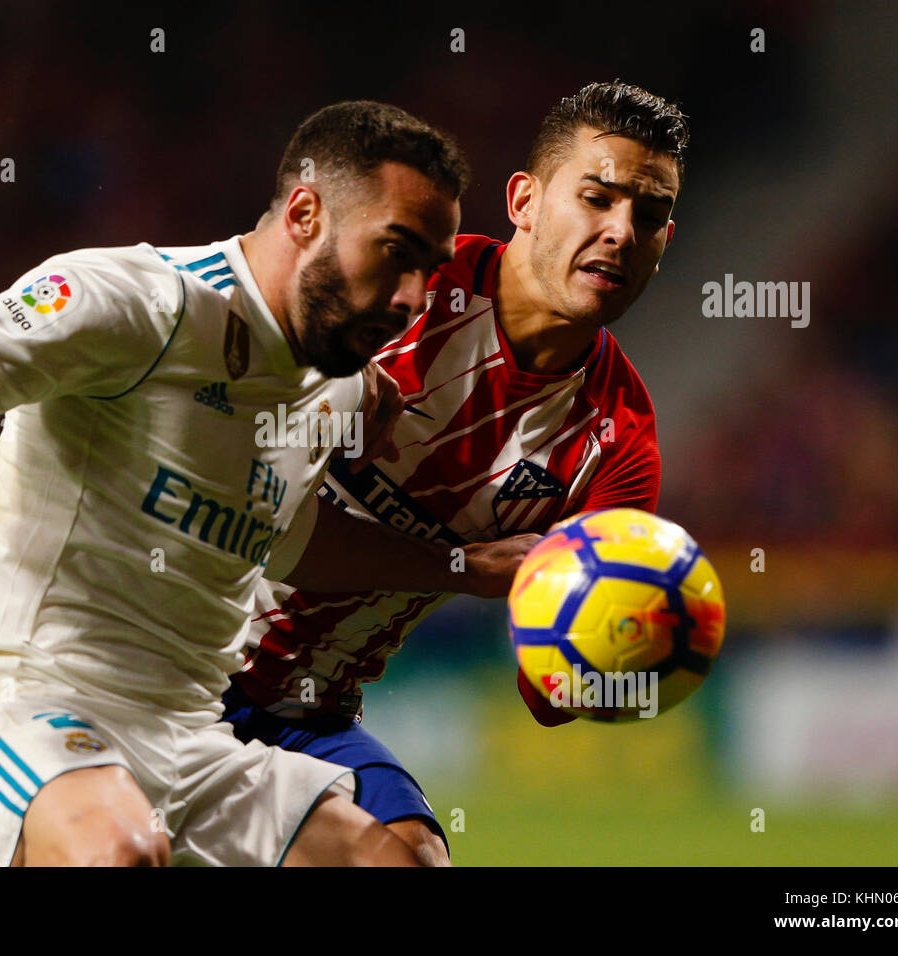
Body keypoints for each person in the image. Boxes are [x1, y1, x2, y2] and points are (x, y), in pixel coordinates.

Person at [0, 100, 534, 867]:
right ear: (305, 213)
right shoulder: (140, 303)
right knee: (117, 851)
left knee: (404, 863)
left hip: (191, 738)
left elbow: (288, 544)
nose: (410, 297)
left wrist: (465, 570)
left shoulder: (335, 387)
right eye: (394, 253)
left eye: (427, 271)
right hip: (27, 699)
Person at [225, 80, 689, 866]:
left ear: (664, 242)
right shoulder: (398, 287)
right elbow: (260, 524)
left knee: (414, 858)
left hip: (310, 712)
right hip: (174, 662)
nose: (620, 231)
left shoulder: (620, 442)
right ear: (525, 201)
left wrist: (616, 640)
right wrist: (462, 566)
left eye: (646, 215)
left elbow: (548, 702)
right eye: (597, 197)